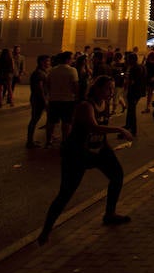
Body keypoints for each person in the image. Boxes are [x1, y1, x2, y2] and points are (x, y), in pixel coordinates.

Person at [38, 75, 132, 245]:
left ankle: (110, 213)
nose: (111, 92)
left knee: (117, 175)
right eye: (107, 88)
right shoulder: (85, 106)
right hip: (77, 153)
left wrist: (107, 148)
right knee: (65, 193)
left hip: (97, 149)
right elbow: (93, 126)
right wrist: (119, 129)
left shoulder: (105, 104)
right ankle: (46, 230)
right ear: (96, 89)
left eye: (112, 88)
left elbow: (99, 131)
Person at [46, 52, 79, 148]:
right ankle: (65, 141)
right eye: (72, 58)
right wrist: (77, 97)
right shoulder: (72, 70)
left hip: (54, 99)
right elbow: (75, 86)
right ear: (68, 59)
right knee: (66, 122)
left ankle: (48, 141)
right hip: (68, 100)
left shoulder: (52, 70)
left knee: (51, 122)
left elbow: (48, 85)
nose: (73, 60)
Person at [26, 55, 51, 148]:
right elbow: (39, 88)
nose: (49, 63)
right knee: (34, 119)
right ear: (41, 62)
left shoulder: (43, 72)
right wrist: (44, 100)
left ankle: (30, 140)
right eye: (47, 61)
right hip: (38, 99)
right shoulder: (39, 73)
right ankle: (29, 141)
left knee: (36, 119)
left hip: (40, 99)